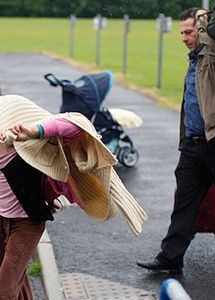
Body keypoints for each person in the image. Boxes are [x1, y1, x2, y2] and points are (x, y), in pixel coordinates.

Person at [0, 94, 147, 299]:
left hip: (26, 224)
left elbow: (77, 124)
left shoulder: (25, 142)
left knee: (5, 288)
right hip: (2, 221)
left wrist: (36, 130)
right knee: (14, 277)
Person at [137, 7, 215, 274]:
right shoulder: (194, 61)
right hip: (194, 145)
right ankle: (171, 257)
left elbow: (213, 47)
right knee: (184, 202)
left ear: (203, 30)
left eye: (189, 31)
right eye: (182, 33)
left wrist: (203, 21)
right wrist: (185, 140)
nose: (184, 37)